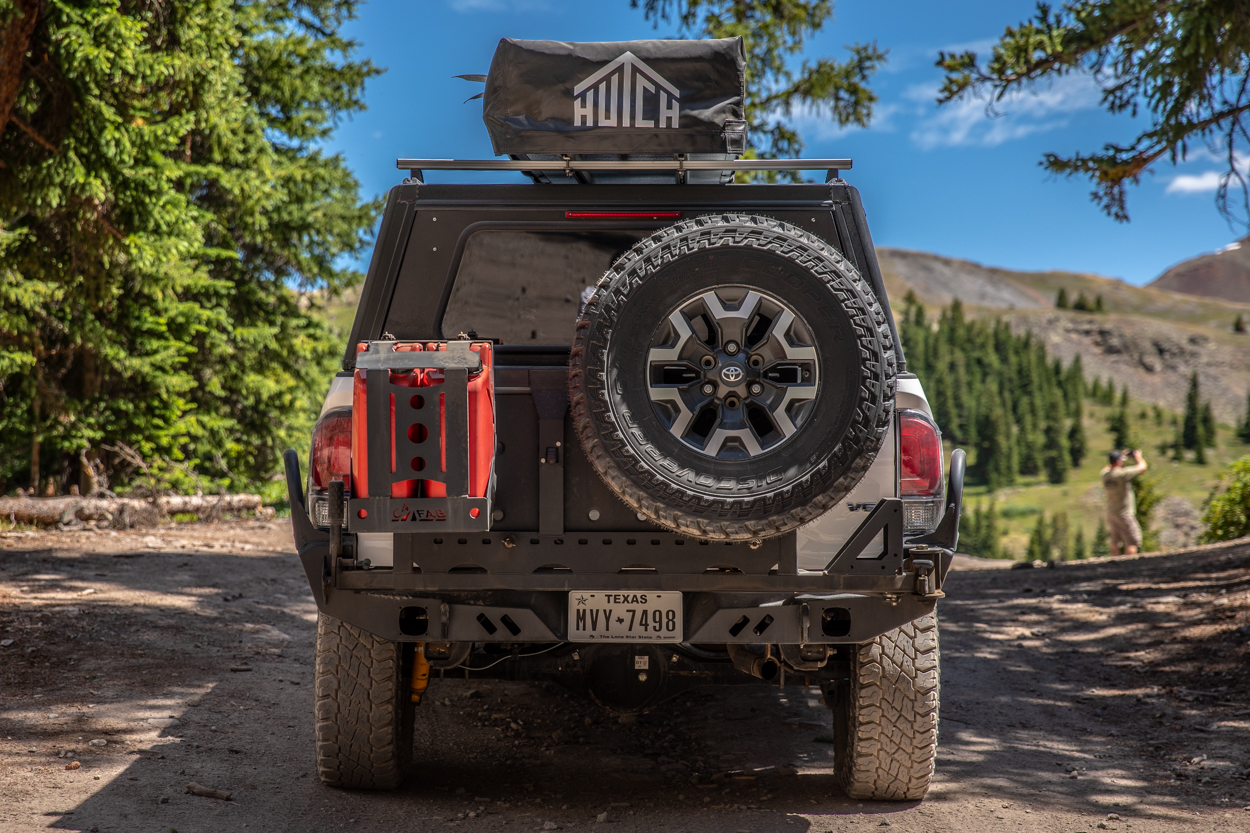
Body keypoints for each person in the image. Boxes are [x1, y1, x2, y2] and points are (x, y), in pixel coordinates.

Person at [1100, 449, 1147, 555]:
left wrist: (1118, 457)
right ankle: (1129, 563)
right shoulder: (1122, 474)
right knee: (1132, 541)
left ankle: (1114, 563)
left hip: (1111, 513)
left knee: (1115, 540)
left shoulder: (1105, 475)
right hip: (1124, 512)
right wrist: (1137, 456)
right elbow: (1142, 467)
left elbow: (1107, 468)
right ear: (1118, 462)